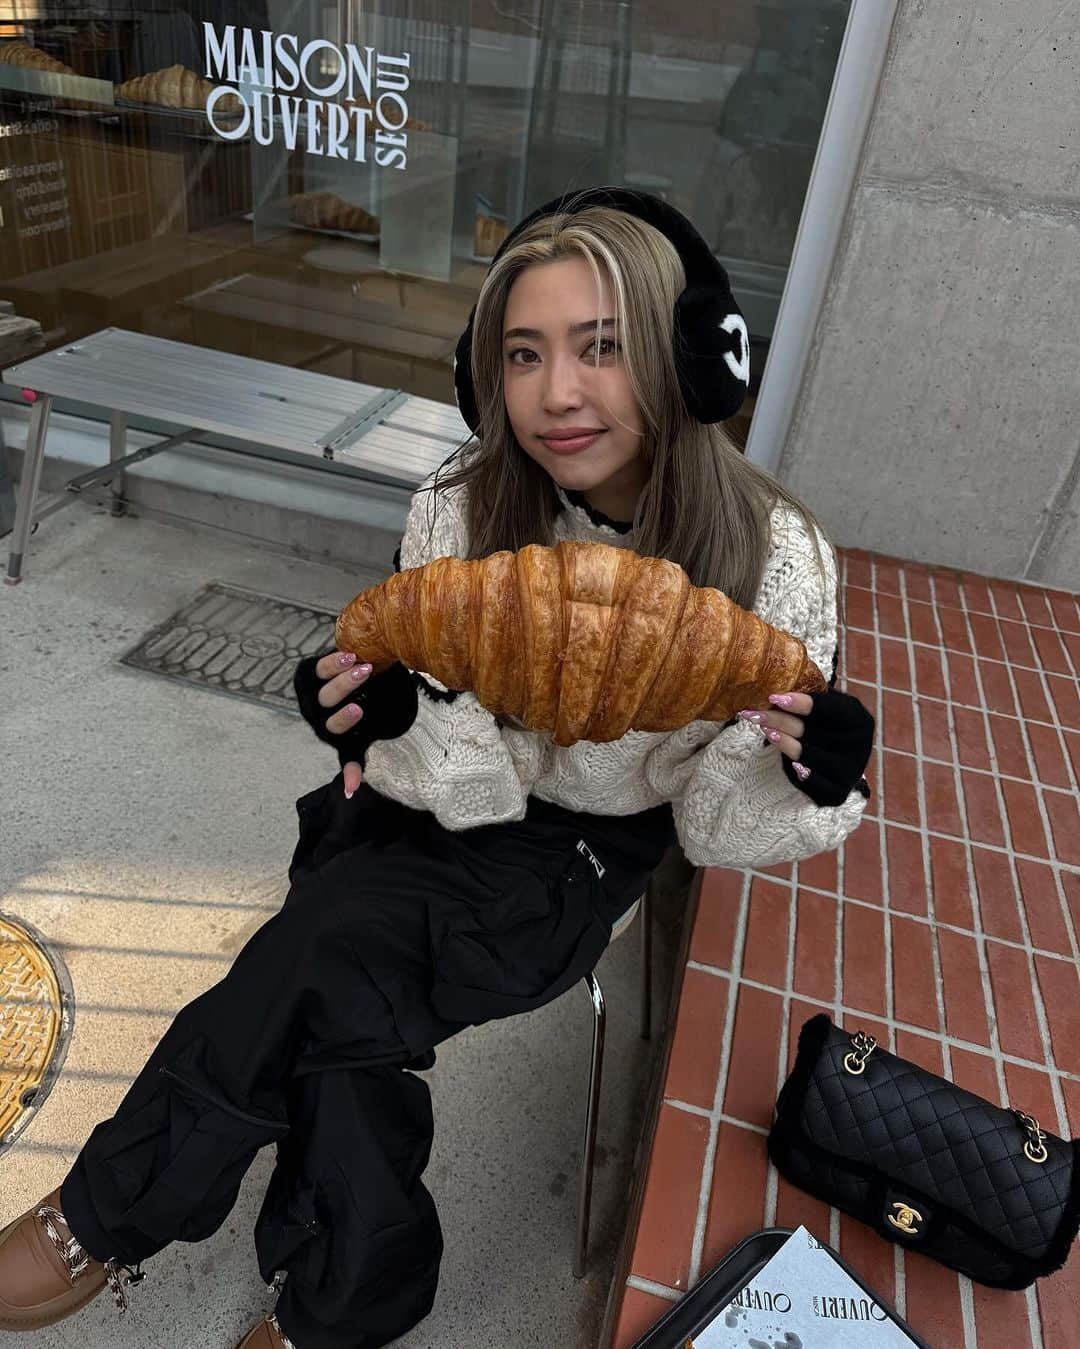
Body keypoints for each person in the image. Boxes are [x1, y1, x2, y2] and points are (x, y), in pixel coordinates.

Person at [0, 186, 874, 1349]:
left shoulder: (775, 565)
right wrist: (387, 716)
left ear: (683, 354)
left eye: (602, 347)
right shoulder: (462, 509)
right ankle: (340, 1308)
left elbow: (711, 827)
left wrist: (802, 776)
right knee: (341, 983)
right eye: (523, 354)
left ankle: (101, 1216)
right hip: (433, 803)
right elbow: (433, 740)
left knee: (325, 942)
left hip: (578, 853)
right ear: (487, 374)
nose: (559, 393)